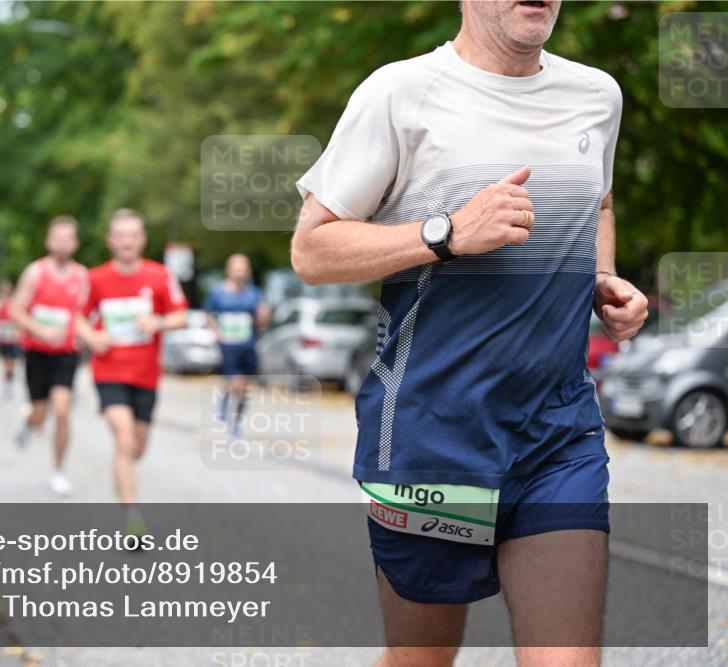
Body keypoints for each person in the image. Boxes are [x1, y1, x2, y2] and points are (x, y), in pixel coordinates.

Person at [289, 2, 648, 665]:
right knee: (423, 658)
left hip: (556, 436)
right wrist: (446, 232)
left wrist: (604, 277)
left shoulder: (597, 96)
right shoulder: (400, 93)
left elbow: (598, 202)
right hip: (433, 438)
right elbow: (312, 251)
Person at [75, 209, 187, 533]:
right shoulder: (95, 278)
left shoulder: (160, 276)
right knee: (123, 439)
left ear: (142, 239)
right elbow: (79, 317)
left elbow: (180, 315)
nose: (126, 241)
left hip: (146, 376)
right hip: (108, 372)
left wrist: (159, 322)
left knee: (136, 448)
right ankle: (132, 516)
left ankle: (122, 481)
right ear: (111, 240)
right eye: (120, 235)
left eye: (133, 235)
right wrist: (93, 336)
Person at [10, 216, 89, 496]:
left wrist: (88, 333)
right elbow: (15, 311)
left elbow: (86, 314)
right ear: (48, 241)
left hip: (67, 353)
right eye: (57, 237)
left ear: (76, 243)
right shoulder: (35, 272)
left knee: (63, 410)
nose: (63, 243)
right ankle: (29, 419)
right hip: (37, 353)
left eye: (68, 238)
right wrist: (40, 329)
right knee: (41, 414)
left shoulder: (82, 276)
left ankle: (58, 471)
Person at [203, 253, 270, 438]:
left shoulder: (254, 293)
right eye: (236, 268)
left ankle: (236, 422)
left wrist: (263, 316)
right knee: (235, 382)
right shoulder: (218, 291)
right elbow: (208, 314)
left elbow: (260, 320)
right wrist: (216, 332)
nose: (240, 272)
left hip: (248, 345)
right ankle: (225, 409)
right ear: (229, 270)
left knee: (244, 386)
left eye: (243, 268)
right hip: (228, 346)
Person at [0, 279, 22, 398]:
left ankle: (9, 378)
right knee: (6, 360)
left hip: (13, 336)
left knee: (11, 360)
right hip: (3, 335)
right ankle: (6, 379)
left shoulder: (14, 301)